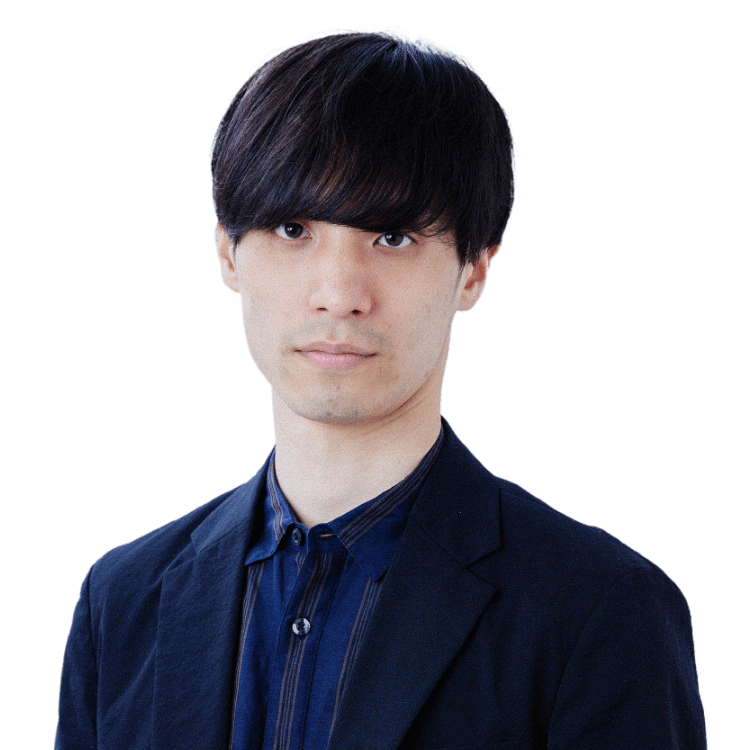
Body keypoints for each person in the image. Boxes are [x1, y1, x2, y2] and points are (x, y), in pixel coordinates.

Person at [55, 26, 708, 750]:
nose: (339, 294)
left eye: (392, 236)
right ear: (227, 255)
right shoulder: (123, 601)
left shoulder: (602, 611)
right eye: (293, 228)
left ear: (475, 270)